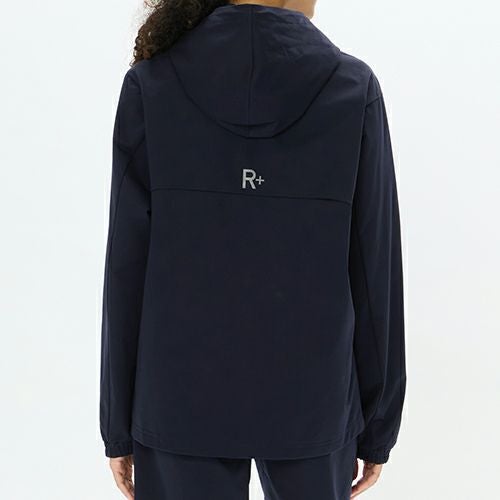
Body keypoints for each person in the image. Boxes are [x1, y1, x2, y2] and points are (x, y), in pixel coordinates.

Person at [99, 0, 407, 498]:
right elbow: (376, 272)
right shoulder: (353, 90)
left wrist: (118, 422)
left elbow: (126, 268)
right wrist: (378, 426)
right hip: (313, 400)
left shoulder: (152, 85)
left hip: (178, 398)